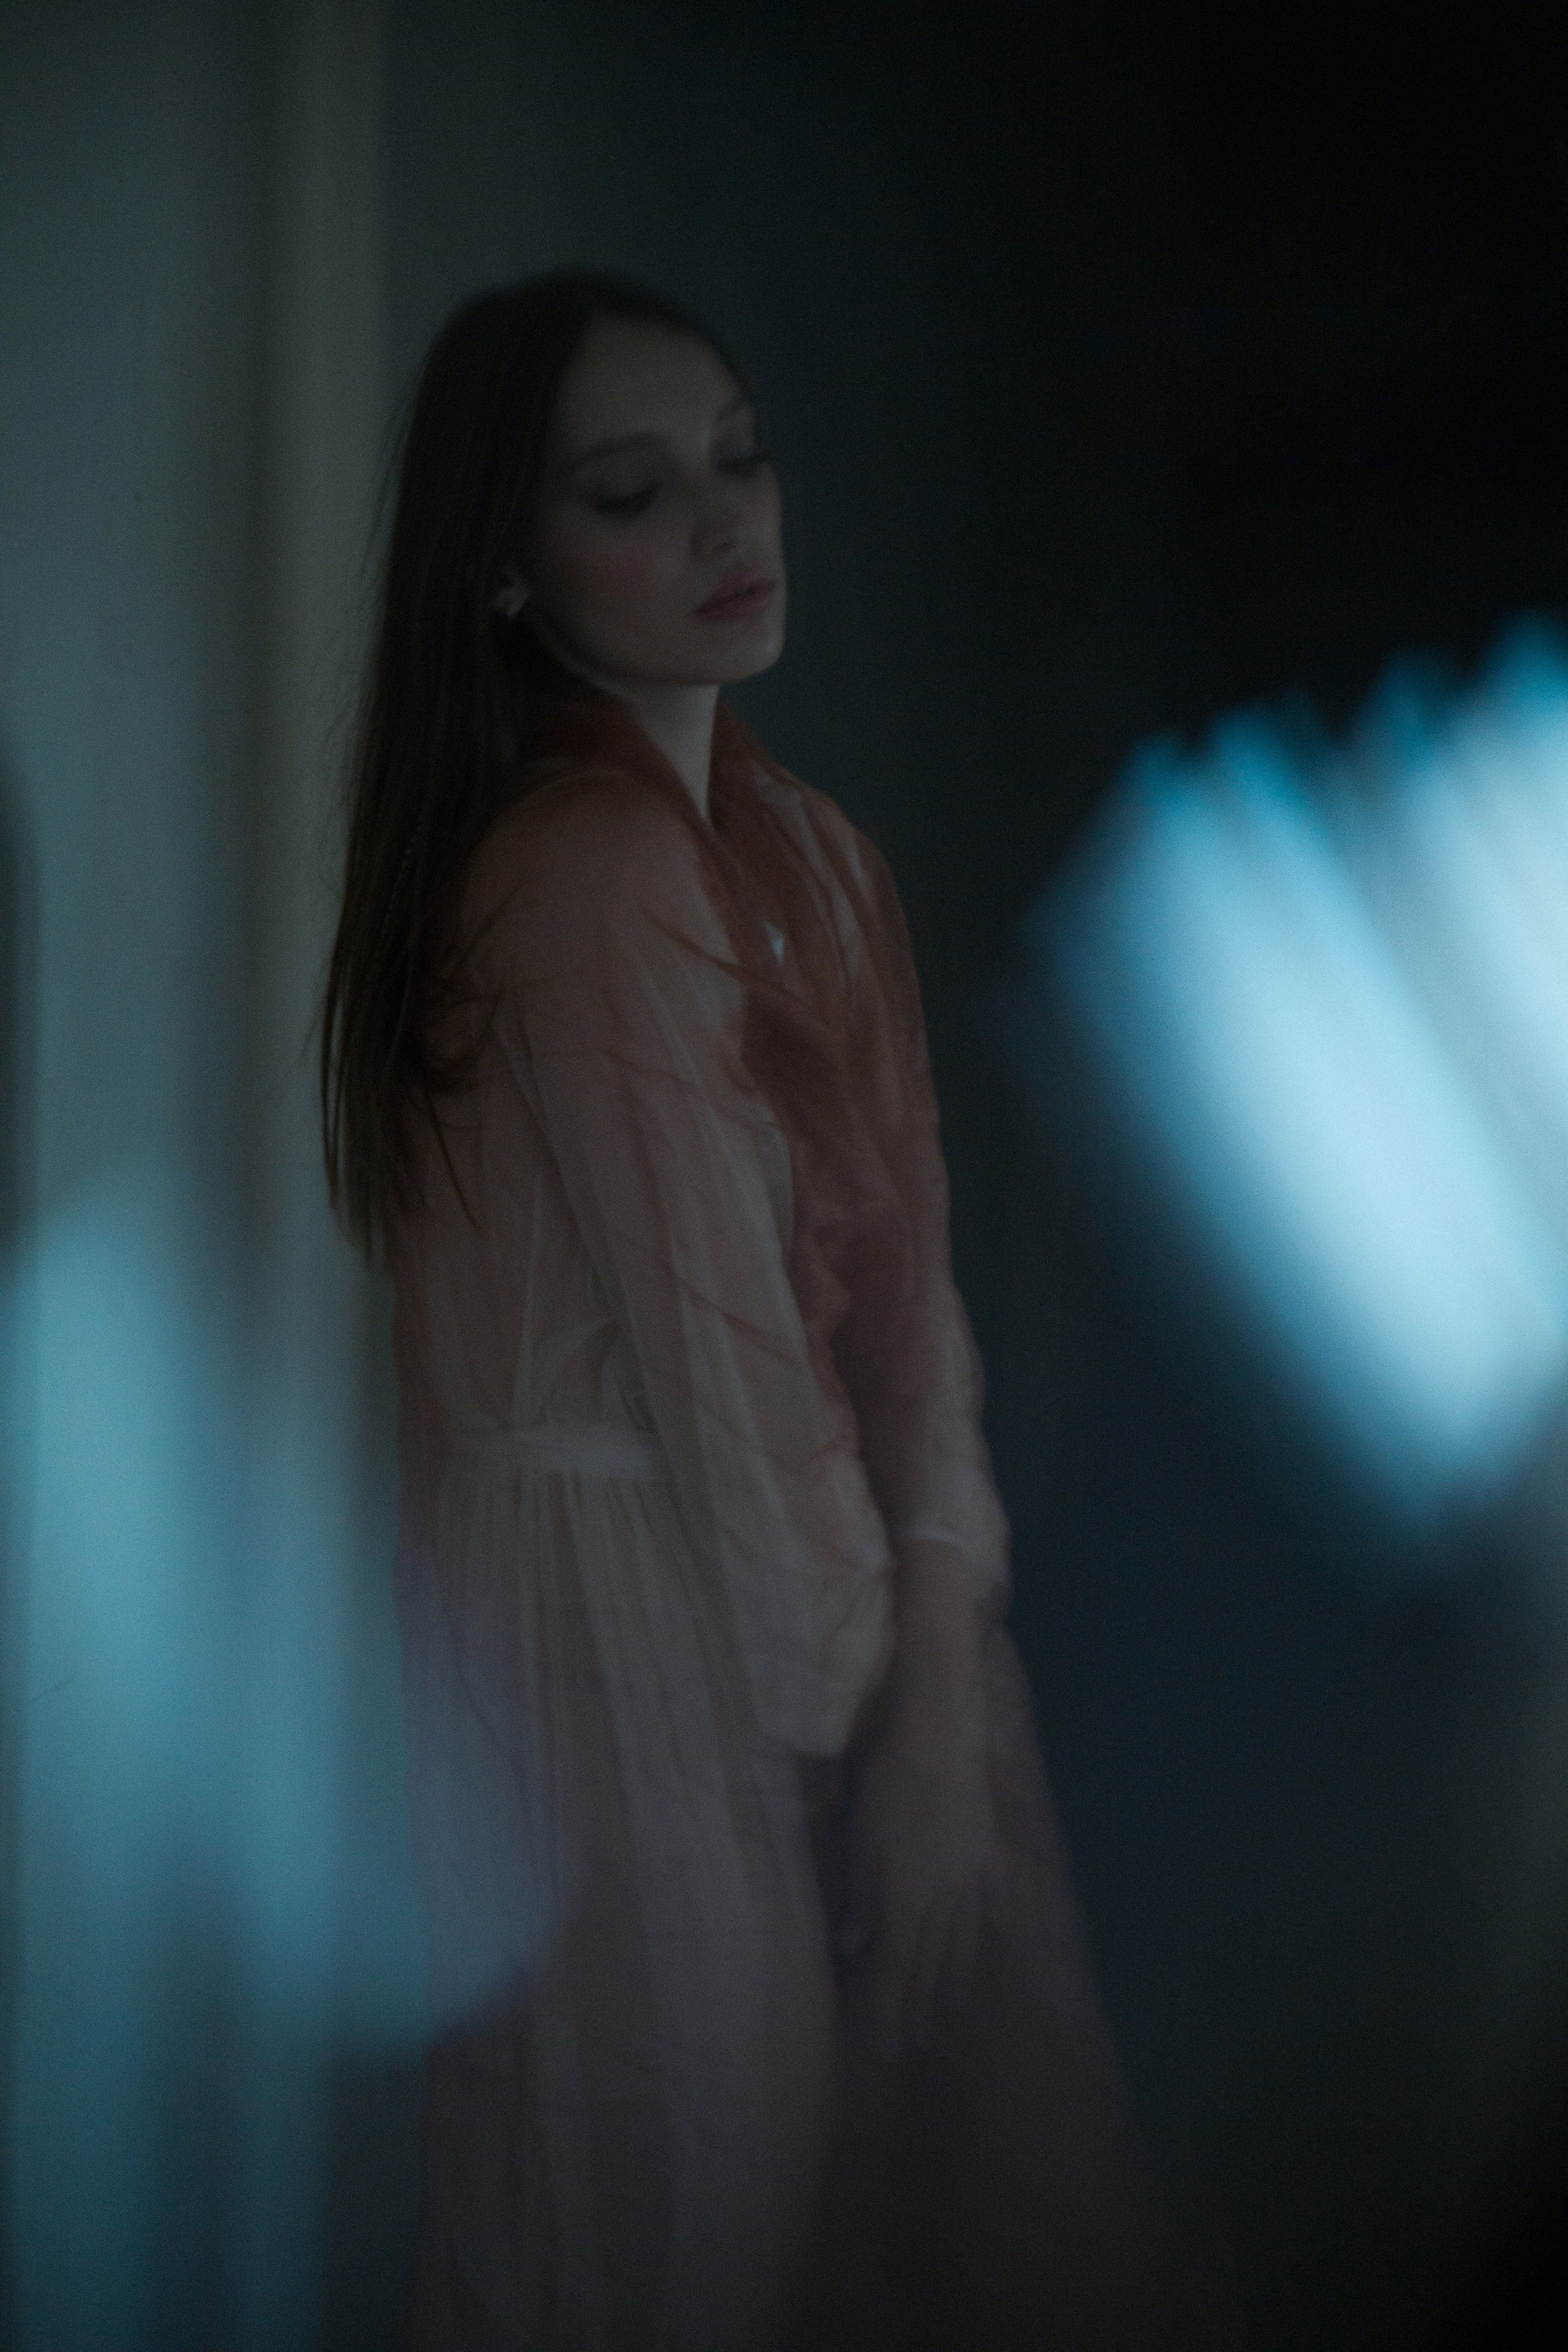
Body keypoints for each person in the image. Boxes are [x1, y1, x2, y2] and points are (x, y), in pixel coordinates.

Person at [321, 266, 1222, 2351]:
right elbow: (729, 1386)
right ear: (506, 570)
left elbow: (915, 1320)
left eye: (741, 458)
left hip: (824, 1628)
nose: (729, 522)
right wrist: (898, 1729)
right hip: (629, 1661)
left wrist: (937, 1681)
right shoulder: (581, 875)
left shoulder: (815, 858)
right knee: (670, 2236)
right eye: (632, 492)